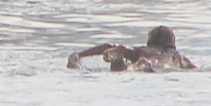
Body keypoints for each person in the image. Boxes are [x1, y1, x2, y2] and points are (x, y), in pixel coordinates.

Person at [66, 26, 196, 72]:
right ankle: (142, 65)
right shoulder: (180, 58)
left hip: (148, 61)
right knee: (145, 67)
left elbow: (107, 47)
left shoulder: (144, 50)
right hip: (167, 68)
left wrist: (78, 55)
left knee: (120, 68)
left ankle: (123, 59)